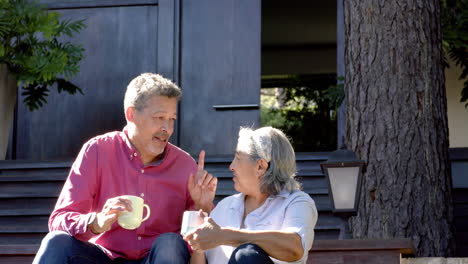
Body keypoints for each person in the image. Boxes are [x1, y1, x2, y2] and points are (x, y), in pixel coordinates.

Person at [33, 73, 217, 264]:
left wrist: (203, 207)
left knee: (170, 243)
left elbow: (202, 241)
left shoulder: (185, 164)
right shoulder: (97, 150)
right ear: (131, 114)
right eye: (159, 117)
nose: (167, 128)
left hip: (157, 259)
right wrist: (96, 222)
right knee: (56, 242)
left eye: (172, 119)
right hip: (103, 257)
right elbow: (59, 219)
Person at [184, 126, 318, 264]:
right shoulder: (225, 206)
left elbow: (294, 248)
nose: (231, 166)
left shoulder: (297, 202)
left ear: (260, 166)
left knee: (246, 255)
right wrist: (203, 209)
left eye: (238, 158)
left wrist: (224, 236)